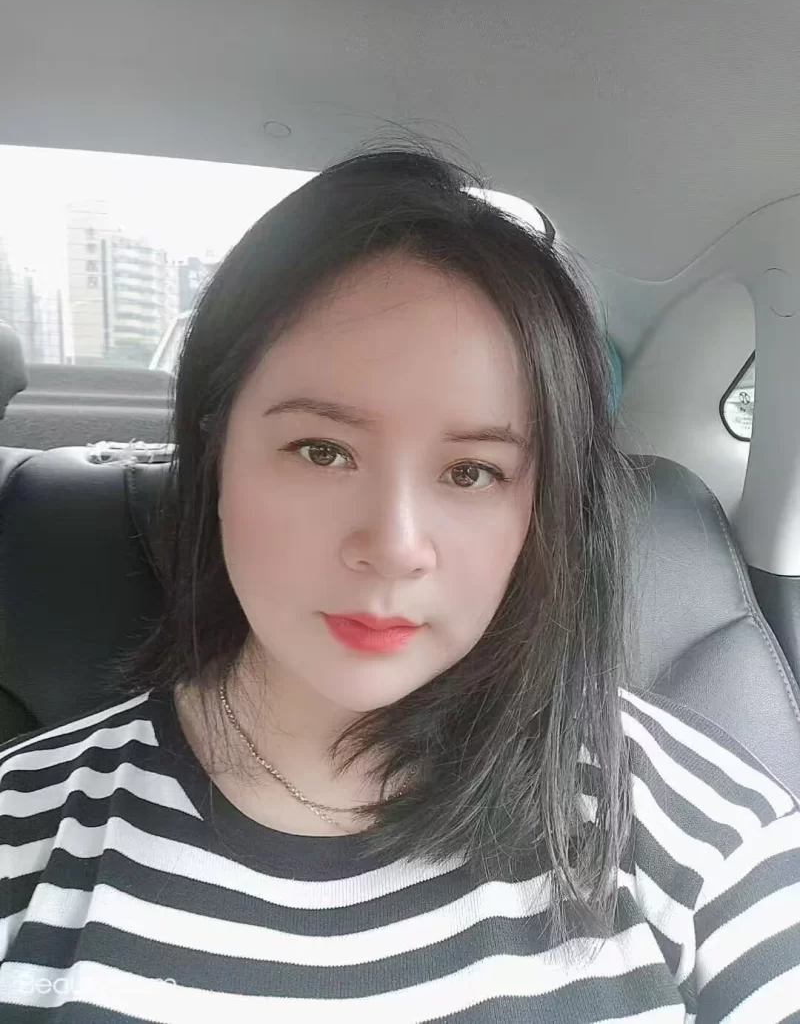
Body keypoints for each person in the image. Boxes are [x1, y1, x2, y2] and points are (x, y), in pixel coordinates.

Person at [1, 147, 799, 1023]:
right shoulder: (25, 831)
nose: (393, 547)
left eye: (471, 472)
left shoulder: (706, 834)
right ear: (216, 456)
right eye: (322, 451)